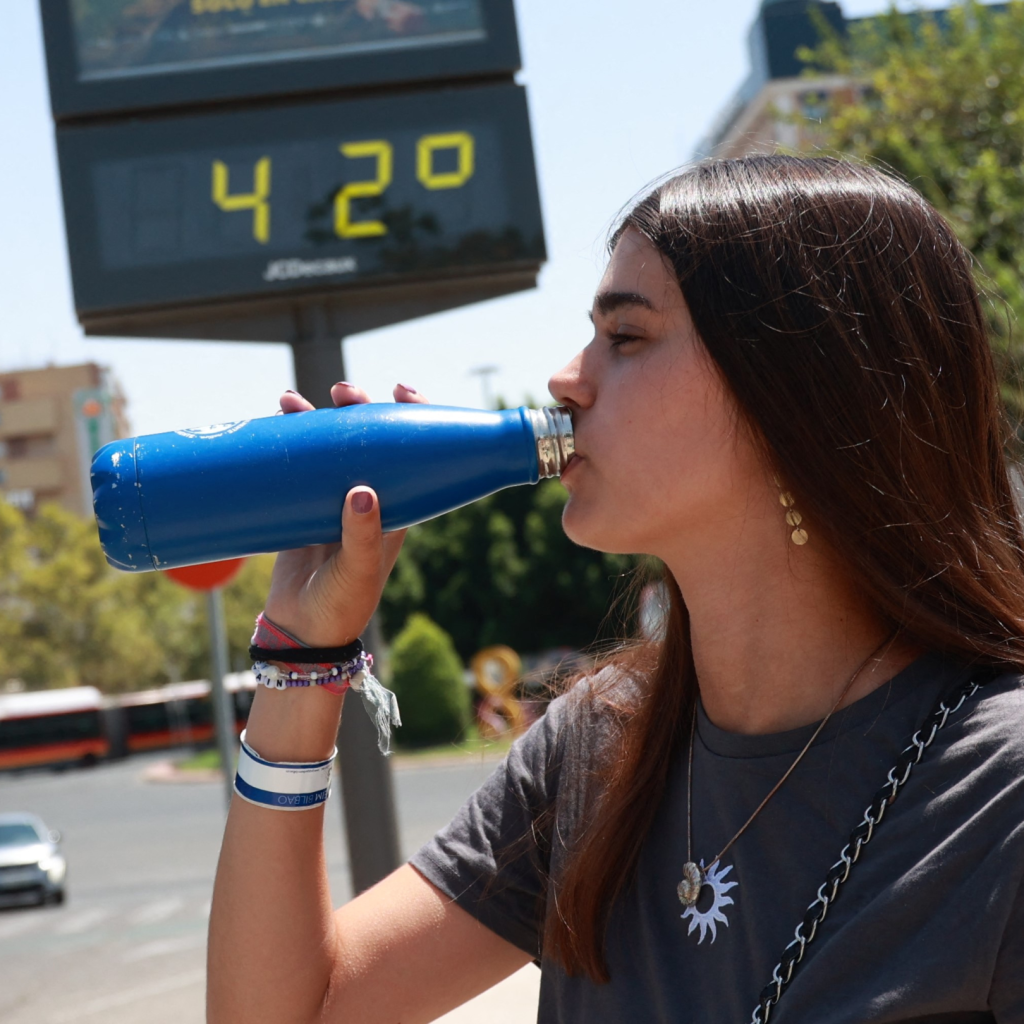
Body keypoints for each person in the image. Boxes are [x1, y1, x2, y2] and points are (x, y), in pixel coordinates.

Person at [207, 156, 1024, 1023]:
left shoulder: (997, 790)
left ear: (801, 395)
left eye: (625, 337)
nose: (566, 378)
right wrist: (303, 657)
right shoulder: (598, 748)